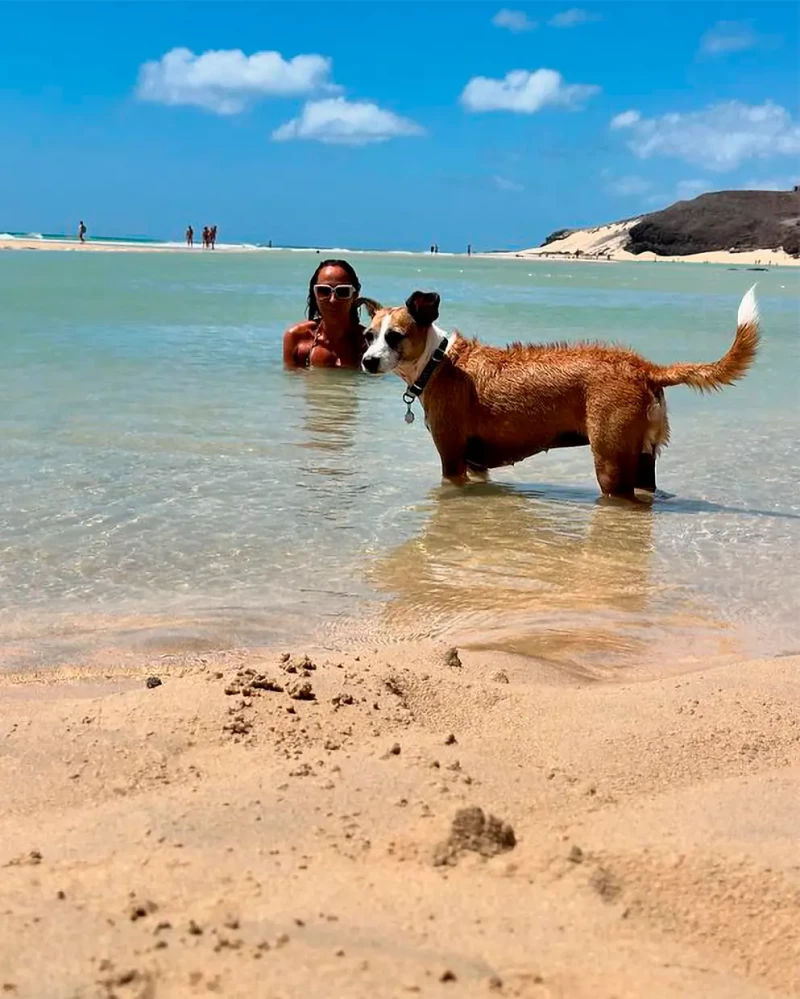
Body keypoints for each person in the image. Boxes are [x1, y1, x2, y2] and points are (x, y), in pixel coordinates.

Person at [283, 259, 370, 369]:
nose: (332, 300)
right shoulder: (297, 337)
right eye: (324, 291)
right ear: (314, 294)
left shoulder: (367, 342)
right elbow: (289, 382)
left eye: (342, 291)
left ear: (354, 295)